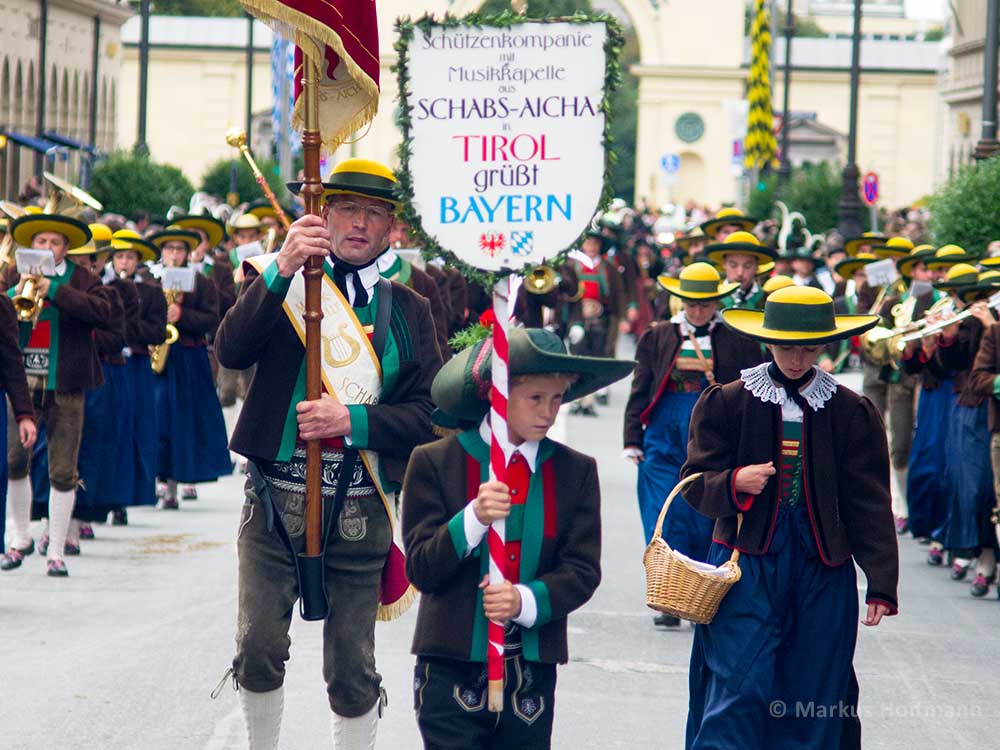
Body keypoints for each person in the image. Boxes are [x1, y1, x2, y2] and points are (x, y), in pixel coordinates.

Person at [215, 158, 443, 748]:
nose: (360, 224)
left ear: (391, 227)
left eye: (374, 213)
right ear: (323, 214)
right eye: (346, 209)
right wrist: (284, 266)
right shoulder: (282, 283)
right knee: (259, 648)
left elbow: (430, 414)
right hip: (273, 499)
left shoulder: (410, 309)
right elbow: (233, 350)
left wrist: (353, 418)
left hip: (360, 504)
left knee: (351, 668)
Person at [681, 285, 898, 750]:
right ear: (767, 342)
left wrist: (880, 582)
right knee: (738, 683)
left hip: (822, 566)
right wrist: (733, 482)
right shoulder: (728, 402)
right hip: (746, 562)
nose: (796, 359)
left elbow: (870, 501)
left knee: (813, 689)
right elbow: (694, 484)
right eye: (785, 346)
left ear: (825, 346)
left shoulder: (851, 410)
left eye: (808, 347)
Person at [402, 327, 632, 750]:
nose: (549, 412)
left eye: (558, 398)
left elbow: (582, 570)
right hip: (450, 664)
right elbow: (421, 569)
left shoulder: (574, 471)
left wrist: (525, 601)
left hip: (530, 673)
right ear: (498, 396)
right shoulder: (435, 462)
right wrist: (472, 518)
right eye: (535, 398)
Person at [623, 262, 763, 627]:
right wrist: (632, 438)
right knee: (662, 510)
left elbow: (750, 393)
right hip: (664, 428)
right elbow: (641, 387)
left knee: (707, 510)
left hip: (710, 429)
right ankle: (668, 596)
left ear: (716, 301)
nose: (698, 310)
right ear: (680, 300)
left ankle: (702, 592)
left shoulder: (736, 338)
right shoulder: (658, 335)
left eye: (705, 303)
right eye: (691, 302)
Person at [2, 213, 111, 576]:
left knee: (63, 469)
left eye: (54, 243)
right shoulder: (14, 275)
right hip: (23, 381)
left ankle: (57, 548)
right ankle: (20, 538)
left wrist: (57, 292)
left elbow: (104, 313)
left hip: (65, 382)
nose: (47, 248)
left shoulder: (84, 279)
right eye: (41, 242)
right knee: (16, 460)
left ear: (66, 247)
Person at [147, 226, 232, 507]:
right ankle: (159, 479)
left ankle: (178, 482)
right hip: (159, 359)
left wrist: (182, 314)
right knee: (157, 419)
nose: (174, 254)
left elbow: (211, 319)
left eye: (179, 250)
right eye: (169, 249)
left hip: (189, 357)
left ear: (187, 253)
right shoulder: (151, 280)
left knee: (183, 422)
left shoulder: (201, 282)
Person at [107, 230, 166, 524]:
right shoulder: (105, 288)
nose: (124, 262)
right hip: (113, 364)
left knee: (138, 427)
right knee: (112, 427)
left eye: (130, 257)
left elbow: (157, 332)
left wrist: (129, 328)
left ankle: (129, 496)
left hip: (139, 365)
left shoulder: (152, 292)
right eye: (119, 256)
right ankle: (108, 495)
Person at [564, 228, 626, 415]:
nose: (591, 246)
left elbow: (617, 294)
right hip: (578, 319)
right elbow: (565, 293)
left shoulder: (608, 268)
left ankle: (591, 397)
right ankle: (576, 398)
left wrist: (619, 317)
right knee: (576, 357)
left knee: (598, 356)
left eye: (595, 243)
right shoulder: (572, 266)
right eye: (588, 242)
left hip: (601, 320)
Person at [704, 231, 776, 310]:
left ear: (757, 267)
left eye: (747, 266)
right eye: (733, 265)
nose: (740, 273)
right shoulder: (711, 299)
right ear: (724, 264)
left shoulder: (769, 301)